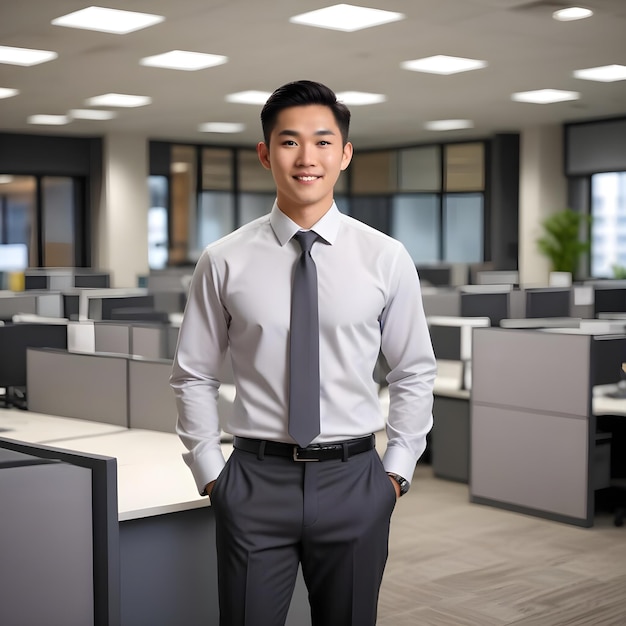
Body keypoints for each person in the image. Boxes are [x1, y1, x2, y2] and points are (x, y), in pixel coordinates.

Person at [170, 79, 436, 626]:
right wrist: (211, 473)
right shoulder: (223, 260)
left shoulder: (385, 257)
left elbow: (413, 370)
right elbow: (193, 373)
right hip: (254, 481)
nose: (306, 157)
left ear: (345, 154)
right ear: (266, 154)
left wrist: (396, 473)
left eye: (322, 141)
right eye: (290, 142)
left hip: (356, 480)